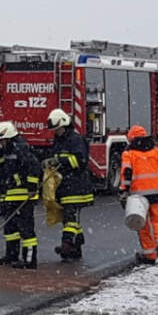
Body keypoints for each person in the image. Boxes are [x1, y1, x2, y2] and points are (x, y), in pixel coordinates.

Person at [119, 125, 158, 266]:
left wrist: (123, 190)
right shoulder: (156, 151)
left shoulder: (129, 154)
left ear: (131, 138)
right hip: (157, 194)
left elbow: (126, 173)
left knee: (142, 226)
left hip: (139, 197)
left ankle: (150, 254)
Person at [46, 108, 93, 261]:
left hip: (76, 185)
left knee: (70, 217)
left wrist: (60, 161)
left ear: (65, 125)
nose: (56, 132)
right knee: (68, 219)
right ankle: (77, 245)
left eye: (57, 129)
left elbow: (81, 161)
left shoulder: (76, 139)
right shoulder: (59, 140)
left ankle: (66, 245)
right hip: (64, 186)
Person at [0, 120, 40, 269]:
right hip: (10, 194)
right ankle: (11, 255)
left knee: (26, 229)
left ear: (7, 137)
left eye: (1, 141)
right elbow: (3, 165)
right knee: (10, 227)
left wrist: (31, 187)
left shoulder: (21, 148)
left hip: (23, 194)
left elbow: (34, 167)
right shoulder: (7, 150)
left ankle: (29, 260)